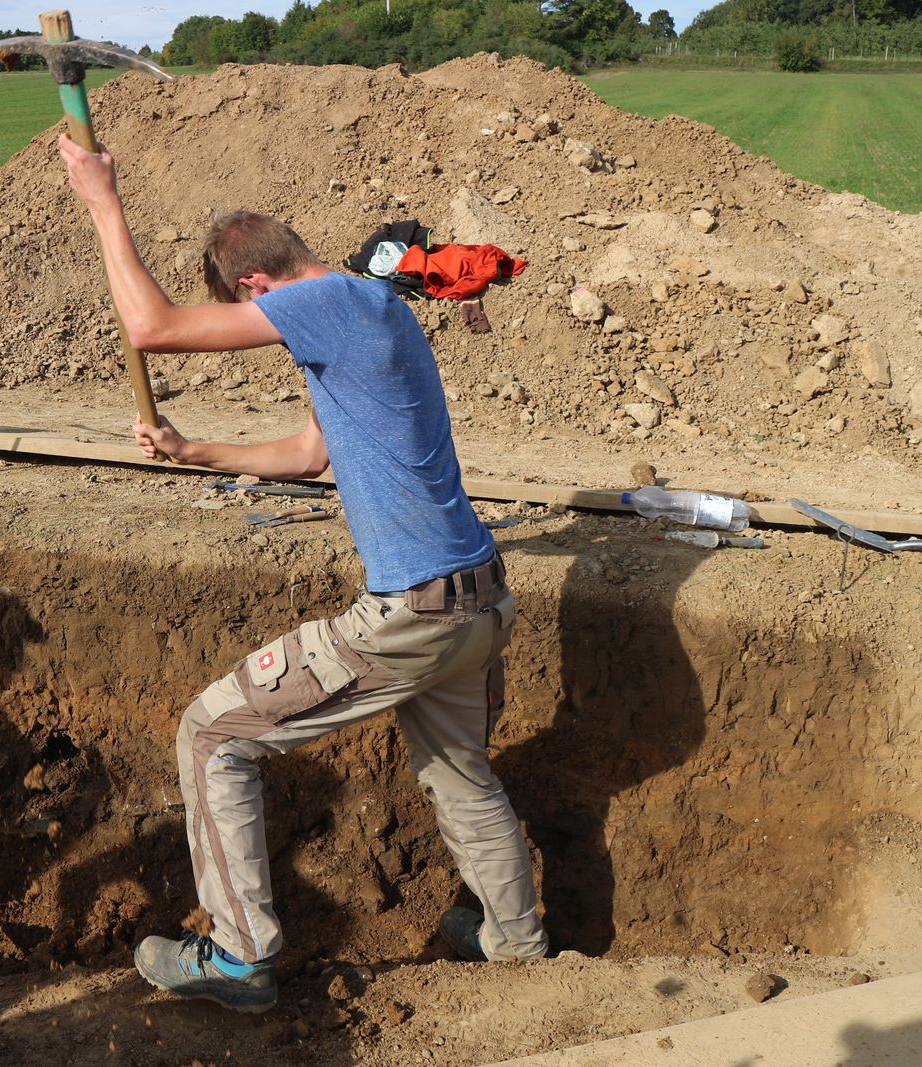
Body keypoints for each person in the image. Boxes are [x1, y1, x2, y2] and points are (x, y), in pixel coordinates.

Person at [59, 133, 548, 1014]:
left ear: (255, 287)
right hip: (480, 599)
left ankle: (240, 956)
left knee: (211, 733)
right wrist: (193, 449)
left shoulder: (323, 301)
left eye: (254, 315)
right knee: (461, 776)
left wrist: (102, 201)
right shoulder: (371, 310)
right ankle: (516, 947)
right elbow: (312, 453)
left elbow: (152, 327)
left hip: (412, 614)